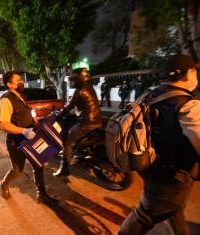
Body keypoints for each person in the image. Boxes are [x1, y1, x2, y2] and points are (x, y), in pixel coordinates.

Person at [119, 54, 200, 235]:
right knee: (143, 215)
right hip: (171, 178)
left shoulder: (148, 95)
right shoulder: (189, 107)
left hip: (148, 164)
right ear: (189, 73)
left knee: (173, 210)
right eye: (195, 72)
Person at [0, 71, 57, 204]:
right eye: (18, 80)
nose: (21, 82)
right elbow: (2, 124)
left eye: (21, 79)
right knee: (18, 170)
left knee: (38, 164)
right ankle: (4, 183)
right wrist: (23, 131)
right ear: (10, 84)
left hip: (30, 139)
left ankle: (42, 195)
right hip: (16, 142)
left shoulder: (21, 96)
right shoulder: (6, 100)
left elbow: (24, 116)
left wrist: (36, 120)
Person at [53, 68, 103, 176]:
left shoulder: (79, 91)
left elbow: (68, 107)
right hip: (97, 120)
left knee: (68, 142)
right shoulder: (89, 88)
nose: (72, 82)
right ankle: (79, 152)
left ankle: (64, 168)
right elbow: (84, 106)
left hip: (88, 123)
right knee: (73, 128)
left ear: (79, 79)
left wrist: (59, 113)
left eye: (74, 80)